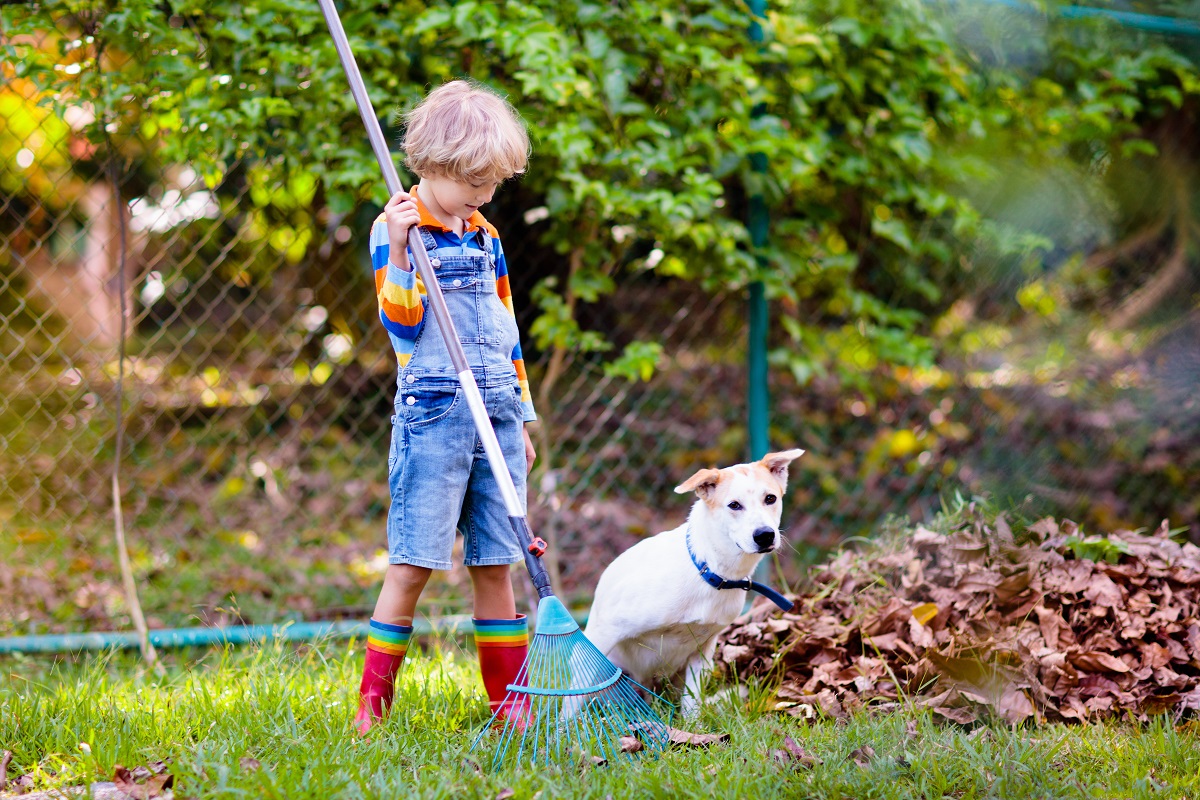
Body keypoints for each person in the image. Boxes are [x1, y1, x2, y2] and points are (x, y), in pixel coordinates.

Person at [354, 80, 537, 735]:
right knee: (412, 564)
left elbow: (505, 324)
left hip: (498, 415)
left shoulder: (484, 234)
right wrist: (403, 253)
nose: (485, 199)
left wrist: (523, 412)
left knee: (496, 561)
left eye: (492, 186)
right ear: (432, 166)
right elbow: (401, 328)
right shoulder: (394, 227)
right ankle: (371, 711)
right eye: (474, 185)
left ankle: (510, 709)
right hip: (434, 418)